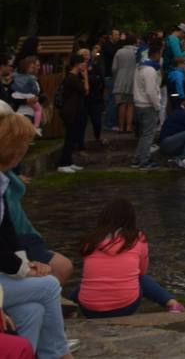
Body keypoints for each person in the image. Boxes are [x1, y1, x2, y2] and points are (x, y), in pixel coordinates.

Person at [0, 111, 75, 359]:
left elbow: (8, 233)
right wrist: (24, 270)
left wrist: (25, 263)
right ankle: (58, 354)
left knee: (31, 311)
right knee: (50, 285)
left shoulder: (3, 182)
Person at [70, 198, 185, 318]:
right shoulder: (138, 237)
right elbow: (142, 271)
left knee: (89, 283)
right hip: (124, 307)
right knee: (141, 279)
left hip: (89, 310)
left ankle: (68, 309)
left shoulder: (90, 239)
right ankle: (173, 304)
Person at [132, 40, 163, 170]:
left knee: (143, 134)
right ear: (156, 55)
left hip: (138, 104)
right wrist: (157, 106)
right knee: (148, 135)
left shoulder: (139, 67)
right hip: (148, 105)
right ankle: (144, 161)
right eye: (160, 54)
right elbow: (151, 91)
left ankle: (137, 159)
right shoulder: (150, 70)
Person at [56, 53, 89, 174]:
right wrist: (85, 77)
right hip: (71, 112)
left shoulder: (72, 77)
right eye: (83, 63)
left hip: (74, 111)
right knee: (69, 138)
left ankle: (69, 162)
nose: (85, 65)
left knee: (72, 137)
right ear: (77, 64)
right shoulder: (72, 78)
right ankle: (63, 163)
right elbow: (85, 90)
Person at [111, 35, 138, 134]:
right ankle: (129, 127)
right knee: (130, 104)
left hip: (120, 80)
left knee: (121, 104)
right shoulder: (137, 52)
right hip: (133, 80)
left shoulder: (119, 52)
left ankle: (121, 127)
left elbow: (114, 68)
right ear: (135, 42)